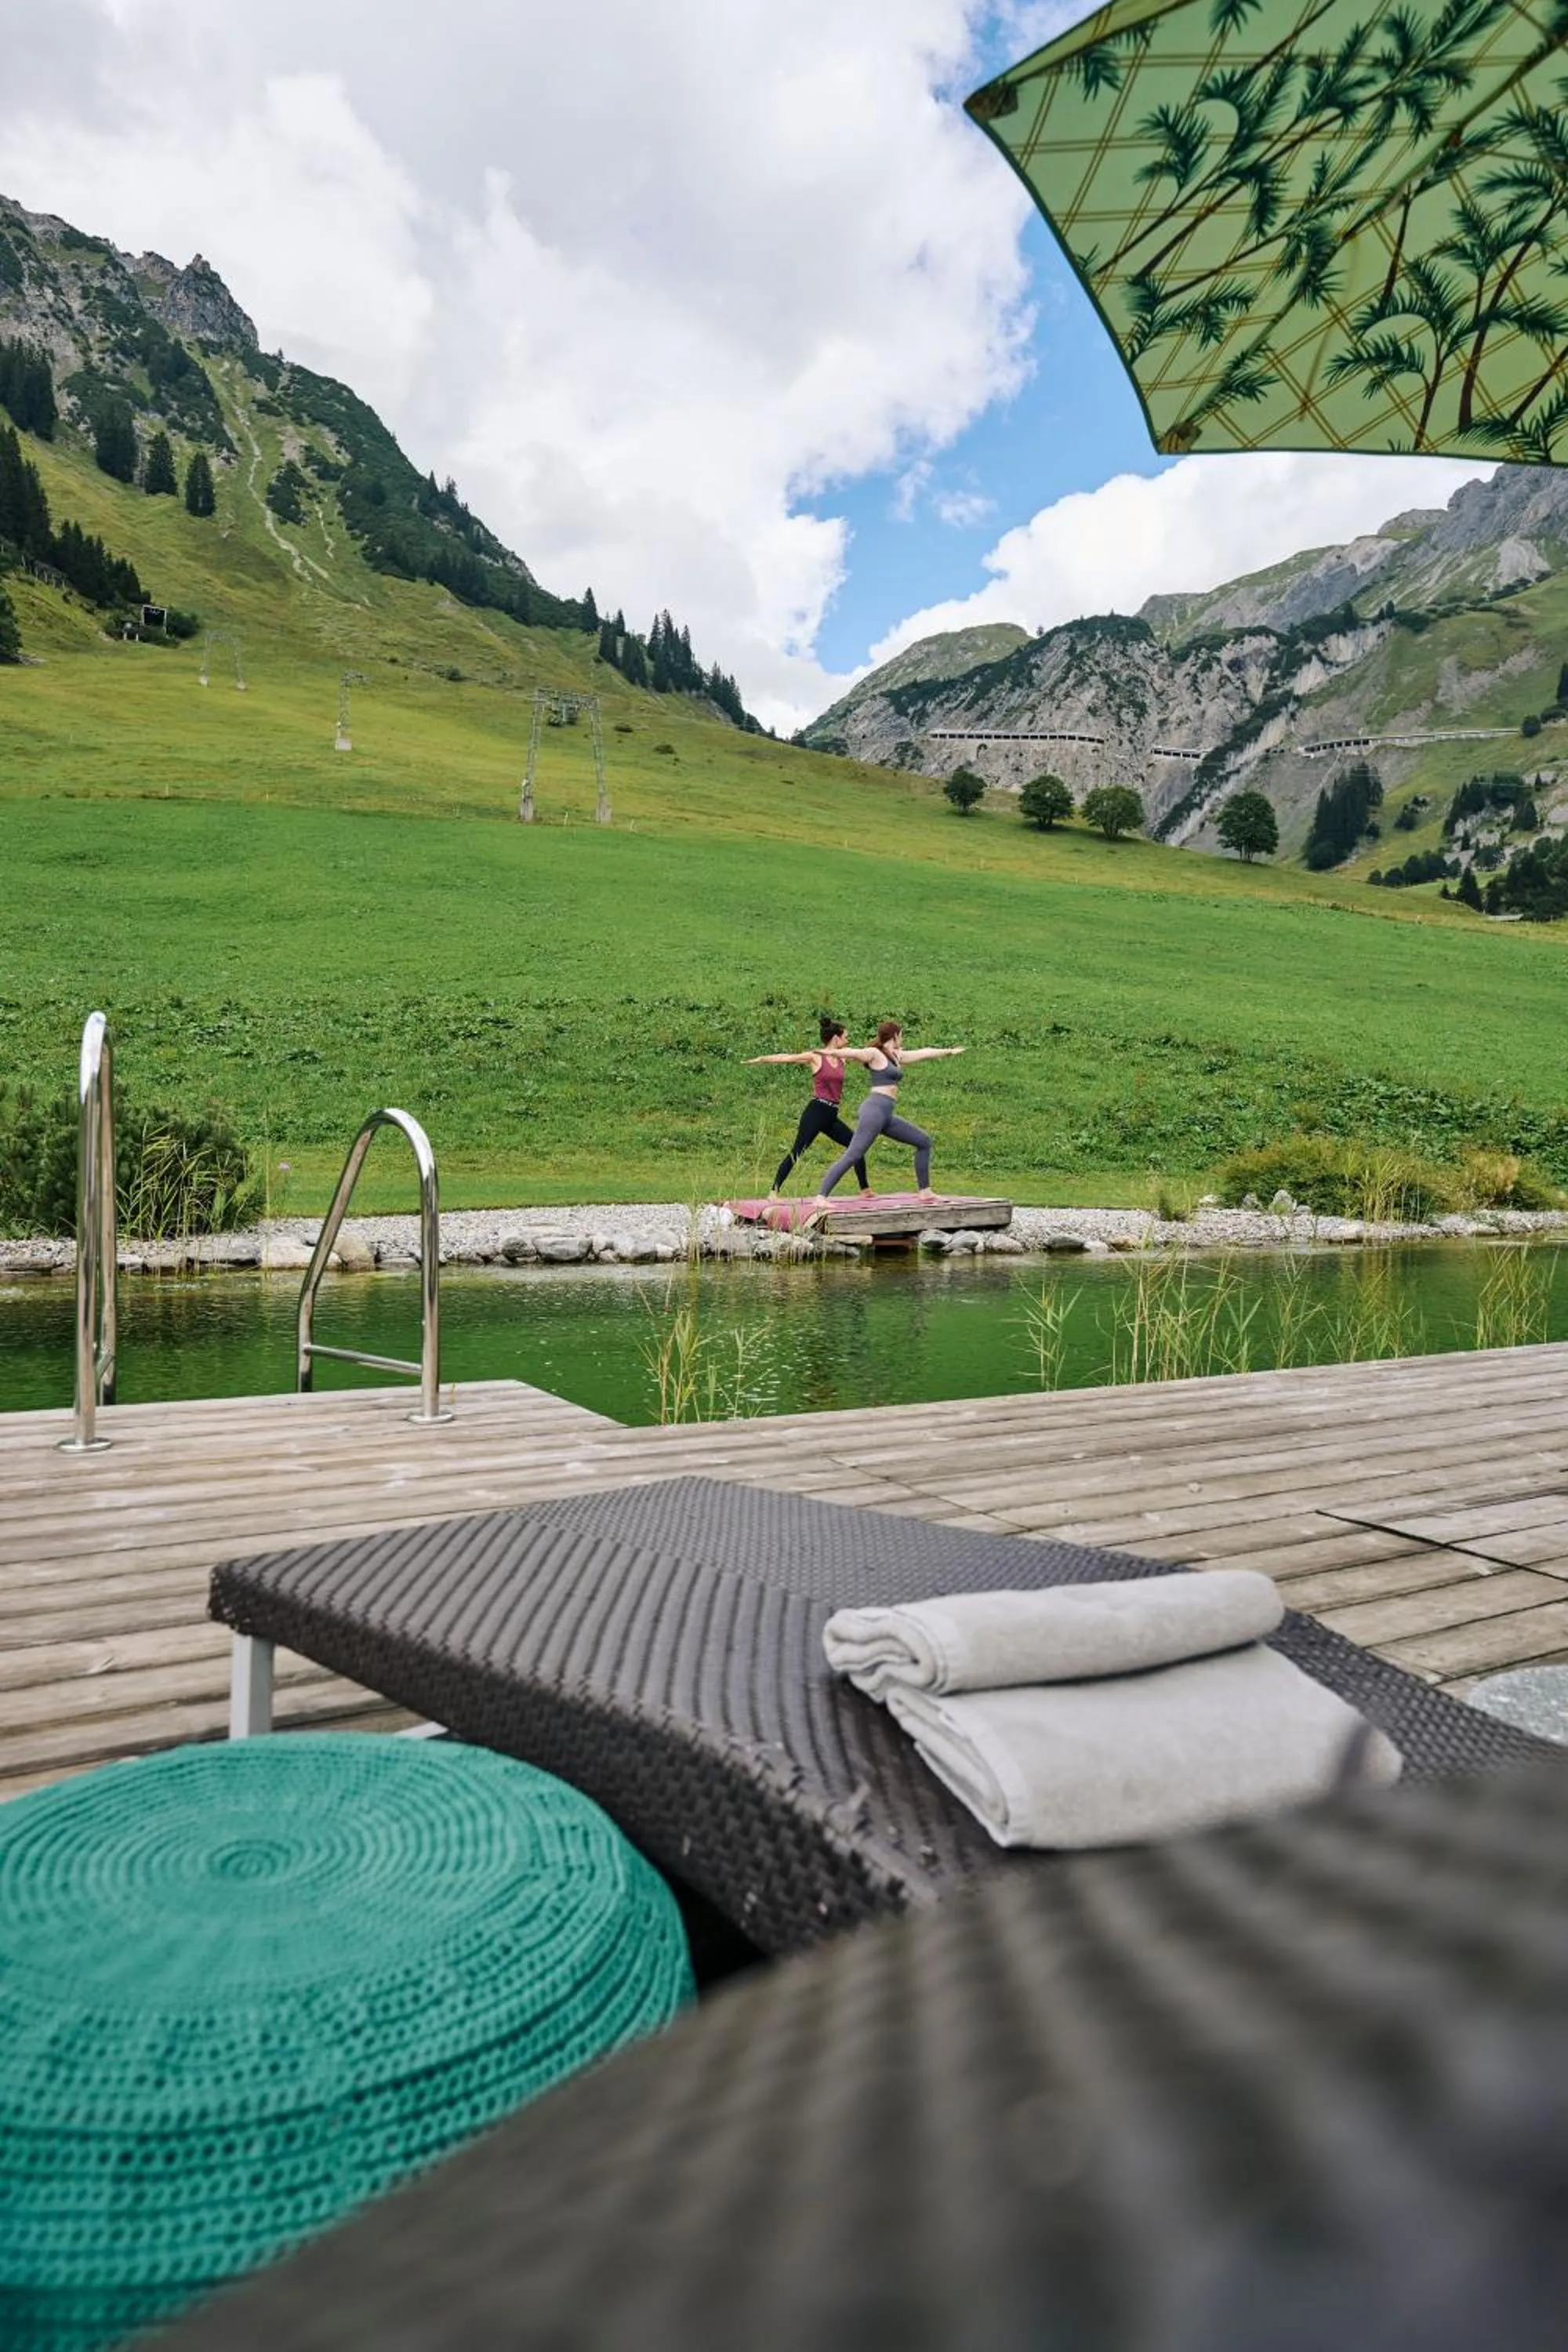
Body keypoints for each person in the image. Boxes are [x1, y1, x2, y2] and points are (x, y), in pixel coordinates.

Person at [806, 1022, 964, 1214]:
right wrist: (830, 1053)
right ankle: (821, 1197)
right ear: (895, 1035)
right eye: (901, 1035)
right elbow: (855, 1053)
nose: (902, 1039)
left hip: (886, 1114)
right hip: (874, 1111)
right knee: (854, 1154)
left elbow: (925, 1052)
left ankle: (925, 1191)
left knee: (924, 1141)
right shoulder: (875, 1054)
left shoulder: (896, 1056)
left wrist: (949, 1051)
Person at [746, 1016, 873, 1196]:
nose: (847, 1040)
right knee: (797, 1151)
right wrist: (761, 1059)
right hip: (816, 1112)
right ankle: (774, 1191)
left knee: (857, 1146)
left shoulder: (843, 1058)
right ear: (836, 1038)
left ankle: (865, 1189)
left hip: (831, 1115)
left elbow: (867, 1054)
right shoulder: (816, 1057)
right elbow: (787, 1058)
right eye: (845, 1037)